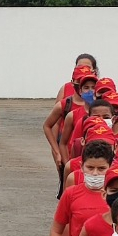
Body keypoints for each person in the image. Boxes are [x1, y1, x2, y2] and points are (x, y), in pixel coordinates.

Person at [44, 64, 98, 197]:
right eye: (83, 84)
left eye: (92, 86)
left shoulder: (102, 109)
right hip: (71, 158)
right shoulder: (66, 106)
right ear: (75, 84)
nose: (89, 90)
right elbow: (49, 126)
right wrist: (58, 153)